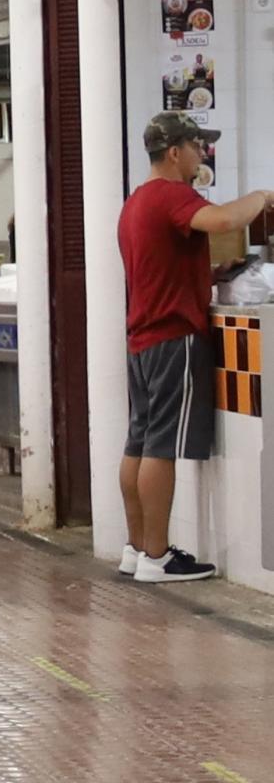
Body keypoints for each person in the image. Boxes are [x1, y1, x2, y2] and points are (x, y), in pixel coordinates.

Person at [119, 112, 274, 583]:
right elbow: (224, 218)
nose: (201, 153)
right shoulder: (172, 195)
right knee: (161, 447)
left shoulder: (136, 202)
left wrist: (206, 275)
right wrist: (263, 196)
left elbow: (157, 268)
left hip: (143, 337)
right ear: (173, 151)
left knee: (140, 442)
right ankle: (159, 556)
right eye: (197, 145)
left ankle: (136, 548)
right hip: (174, 337)